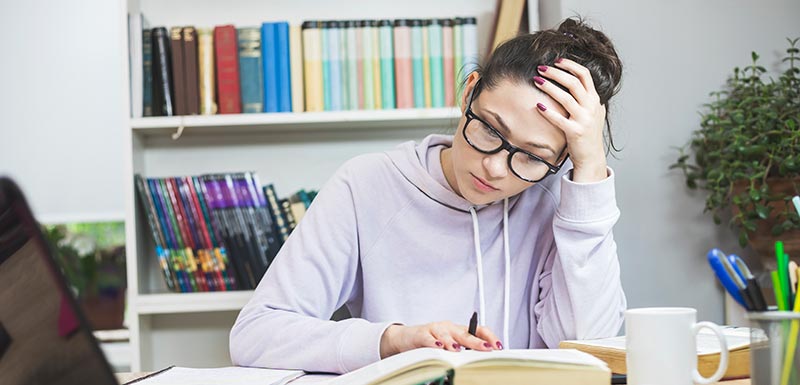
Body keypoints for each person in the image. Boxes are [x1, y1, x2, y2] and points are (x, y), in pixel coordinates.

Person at [230, 16, 626, 374]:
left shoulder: (557, 204)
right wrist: (392, 341)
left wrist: (589, 175)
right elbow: (255, 334)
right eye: (489, 130)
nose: (495, 167)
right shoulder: (366, 185)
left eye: (530, 156)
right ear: (469, 93)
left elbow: (589, 347)